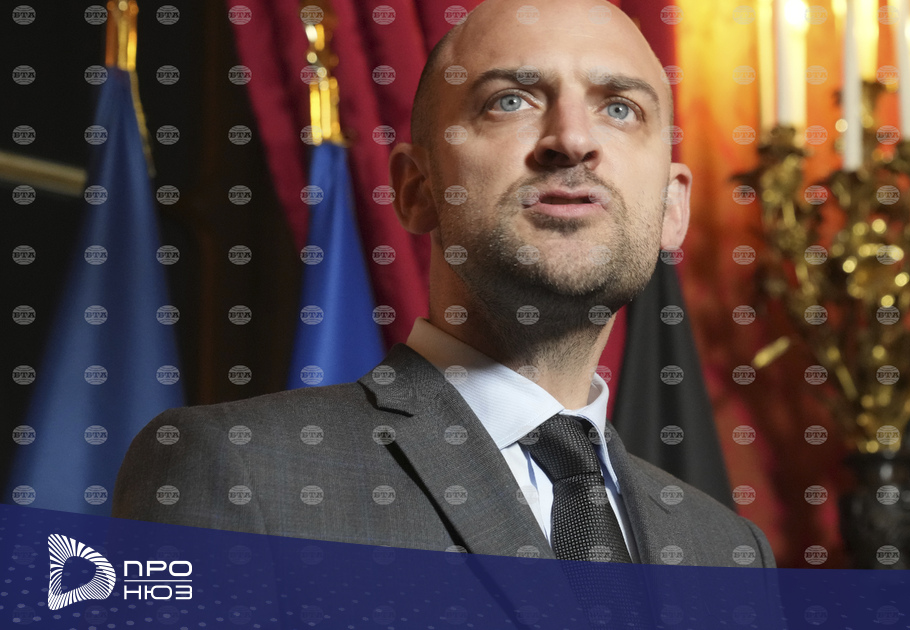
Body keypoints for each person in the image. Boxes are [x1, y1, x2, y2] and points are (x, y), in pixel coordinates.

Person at [113, 0, 774, 569]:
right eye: (510, 101)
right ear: (416, 189)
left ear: (672, 208)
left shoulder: (729, 551)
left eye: (621, 108)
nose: (572, 139)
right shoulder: (236, 471)